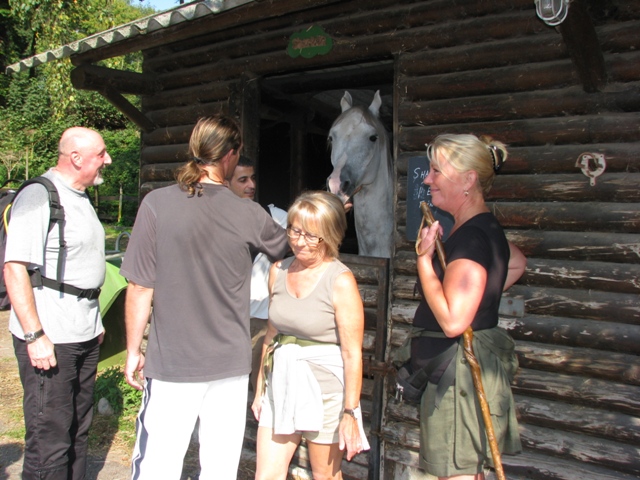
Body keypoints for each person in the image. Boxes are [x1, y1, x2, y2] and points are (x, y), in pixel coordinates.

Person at [121, 115, 289, 480]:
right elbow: (292, 249)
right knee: (219, 470)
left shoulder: (156, 204)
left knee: (158, 467)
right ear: (230, 155)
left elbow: (139, 287)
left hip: (172, 366)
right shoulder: (249, 212)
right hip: (230, 364)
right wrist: (332, 211)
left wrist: (134, 350)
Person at [411, 133, 527, 480]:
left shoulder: (473, 237)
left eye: (436, 171)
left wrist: (423, 260)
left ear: (468, 179)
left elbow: (451, 321)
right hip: (456, 379)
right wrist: (479, 295)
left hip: (457, 384)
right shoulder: (475, 228)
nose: (428, 179)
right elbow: (516, 262)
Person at [4, 127, 112, 480]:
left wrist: (94, 325)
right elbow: (15, 267)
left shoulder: (80, 197)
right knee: (49, 436)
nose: (108, 160)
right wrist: (35, 336)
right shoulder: (39, 195)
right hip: (51, 337)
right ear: (76, 158)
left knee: (78, 430)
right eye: (101, 154)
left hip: (83, 333)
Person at [252, 190, 370, 480]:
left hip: (326, 390)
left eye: (311, 235)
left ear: (330, 235)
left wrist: (350, 411)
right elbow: (271, 335)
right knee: (266, 475)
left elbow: (352, 353)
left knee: (325, 476)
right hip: (280, 382)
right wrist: (259, 389)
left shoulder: (340, 280)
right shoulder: (277, 270)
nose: (299, 241)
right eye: (294, 230)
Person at [224, 155, 288, 392]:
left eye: (252, 178)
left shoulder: (276, 217)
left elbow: (315, 238)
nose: (251, 184)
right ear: (225, 183)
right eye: (242, 179)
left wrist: (330, 221)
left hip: (261, 320)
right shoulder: (216, 219)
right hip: (224, 319)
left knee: (260, 388)